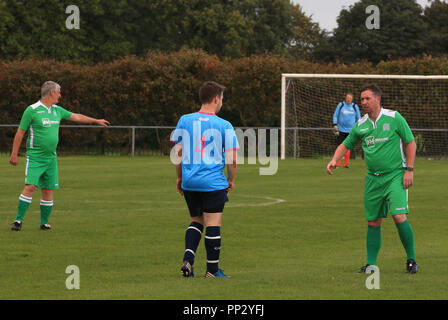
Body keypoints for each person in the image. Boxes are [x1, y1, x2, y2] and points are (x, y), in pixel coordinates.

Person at [326, 84, 418, 274]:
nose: (364, 102)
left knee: (399, 216)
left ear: (378, 99)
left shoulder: (394, 118)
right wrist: (335, 159)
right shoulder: (361, 124)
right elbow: (346, 143)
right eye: (362, 99)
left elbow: (410, 142)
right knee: (373, 222)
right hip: (372, 180)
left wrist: (409, 169)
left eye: (367, 99)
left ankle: (411, 259)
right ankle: (371, 265)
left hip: (395, 176)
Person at [10, 81, 110, 231]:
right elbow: (20, 132)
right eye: (59, 92)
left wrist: (95, 120)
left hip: (51, 158)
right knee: (30, 187)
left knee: (48, 190)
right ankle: (18, 221)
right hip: (35, 157)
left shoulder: (57, 110)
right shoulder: (32, 110)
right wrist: (14, 154)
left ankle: (44, 223)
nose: (60, 95)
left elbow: (76, 117)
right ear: (51, 92)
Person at [171, 81, 239, 278]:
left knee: (196, 220)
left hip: (190, 181)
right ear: (216, 98)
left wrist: (179, 177)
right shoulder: (224, 124)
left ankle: (188, 261)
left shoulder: (184, 119)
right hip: (213, 182)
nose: (222, 103)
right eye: (222, 98)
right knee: (213, 223)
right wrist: (231, 180)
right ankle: (212, 270)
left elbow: (178, 152)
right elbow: (232, 159)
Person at [332, 93, 361, 168]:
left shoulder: (355, 106)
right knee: (340, 146)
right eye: (347, 98)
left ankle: (346, 164)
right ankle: (337, 164)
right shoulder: (341, 105)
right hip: (341, 129)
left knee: (347, 147)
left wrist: (358, 126)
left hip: (351, 130)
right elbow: (335, 115)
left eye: (350, 98)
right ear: (345, 98)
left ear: (352, 99)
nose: (348, 99)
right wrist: (335, 124)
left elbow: (359, 117)